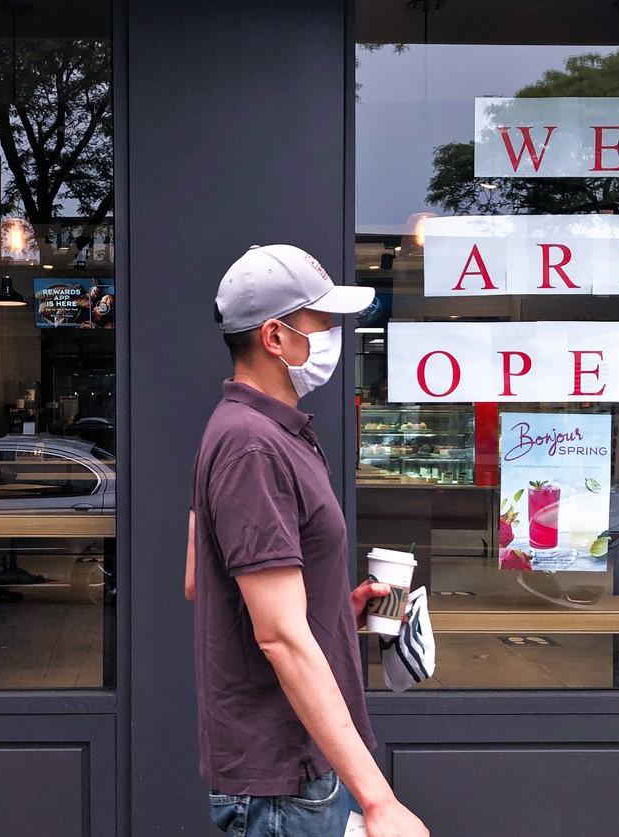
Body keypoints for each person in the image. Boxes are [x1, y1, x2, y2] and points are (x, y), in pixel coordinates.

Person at [186, 244, 429, 837]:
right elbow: (279, 636)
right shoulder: (253, 446)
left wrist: (332, 608)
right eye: (322, 321)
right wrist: (380, 801)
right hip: (284, 774)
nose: (333, 334)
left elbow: (204, 579)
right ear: (275, 337)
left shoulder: (256, 431)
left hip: (294, 762)